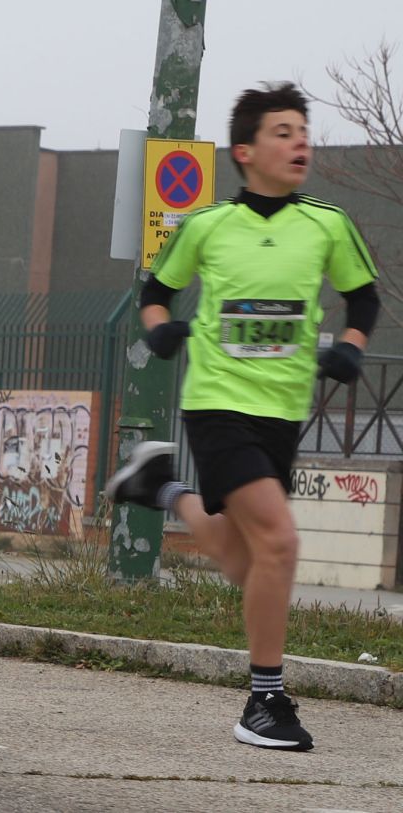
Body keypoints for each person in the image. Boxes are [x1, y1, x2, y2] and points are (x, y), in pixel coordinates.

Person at [108, 82, 377, 752]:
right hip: (218, 402)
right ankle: (264, 699)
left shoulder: (326, 224)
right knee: (280, 543)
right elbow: (156, 289)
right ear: (246, 150)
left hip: (284, 410)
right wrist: (160, 328)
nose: (300, 143)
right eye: (283, 132)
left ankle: (159, 486)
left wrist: (350, 346)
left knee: (250, 554)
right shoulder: (207, 226)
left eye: (303, 131)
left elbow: (363, 297)